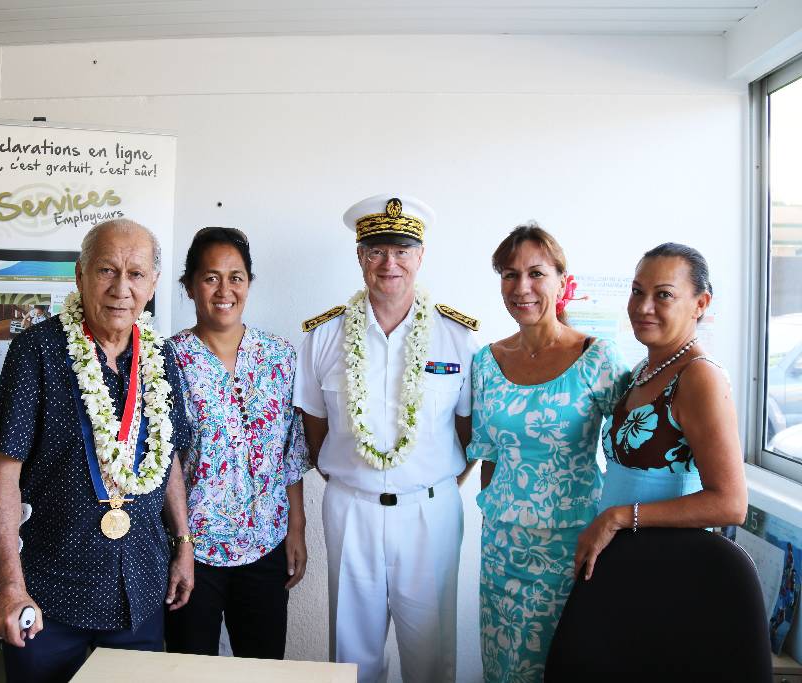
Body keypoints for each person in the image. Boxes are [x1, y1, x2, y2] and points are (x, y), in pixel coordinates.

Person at [0, 218, 194, 683]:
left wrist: (182, 544)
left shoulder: (163, 357)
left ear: (153, 283)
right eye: (106, 271)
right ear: (80, 276)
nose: (121, 287)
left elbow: (170, 458)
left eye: (136, 273)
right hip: (49, 593)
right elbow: (3, 475)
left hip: (137, 589)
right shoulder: (36, 351)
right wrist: (11, 587)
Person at [294, 194, 480, 683]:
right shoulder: (323, 335)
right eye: (376, 249)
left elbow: (467, 434)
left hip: (430, 511)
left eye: (402, 249)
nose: (389, 262)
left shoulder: (457, 337)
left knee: (431, 656)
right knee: (352, 657)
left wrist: (427, 483)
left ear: (421, 256)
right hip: (351, 507)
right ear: (359, 256)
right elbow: (314, 429)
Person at [467, 222, 629, 682]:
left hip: (572, 548)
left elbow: (626, 456)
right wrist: (490, 517)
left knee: (566, 664)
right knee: (504, 668)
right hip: (501, 549)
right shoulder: (486, 361)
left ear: (562, 280)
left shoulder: (597, 359)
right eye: (509, 275)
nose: (522, 288)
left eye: (536, 273)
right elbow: (489, 456)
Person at [164, 226, 311, 659]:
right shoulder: (166, 360)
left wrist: (296, 529)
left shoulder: (281, 356)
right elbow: (164, 461)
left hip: (265, 543)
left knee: (263, 666)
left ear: (249, 283)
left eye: (236, 277)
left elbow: (291, 454)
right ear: (189, 285)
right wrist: (180, 543)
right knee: (190, 666)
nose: (224, 289)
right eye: (210, 277)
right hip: (193, 549)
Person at [576, 243, 748, 578]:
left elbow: (731, 503)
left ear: (700, 304)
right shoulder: (644, 369)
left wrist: (620, 517)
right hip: (622, 560)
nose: (643, 307)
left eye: (664, 295)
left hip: (667, 567)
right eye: (637, 291)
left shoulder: (699, 376)